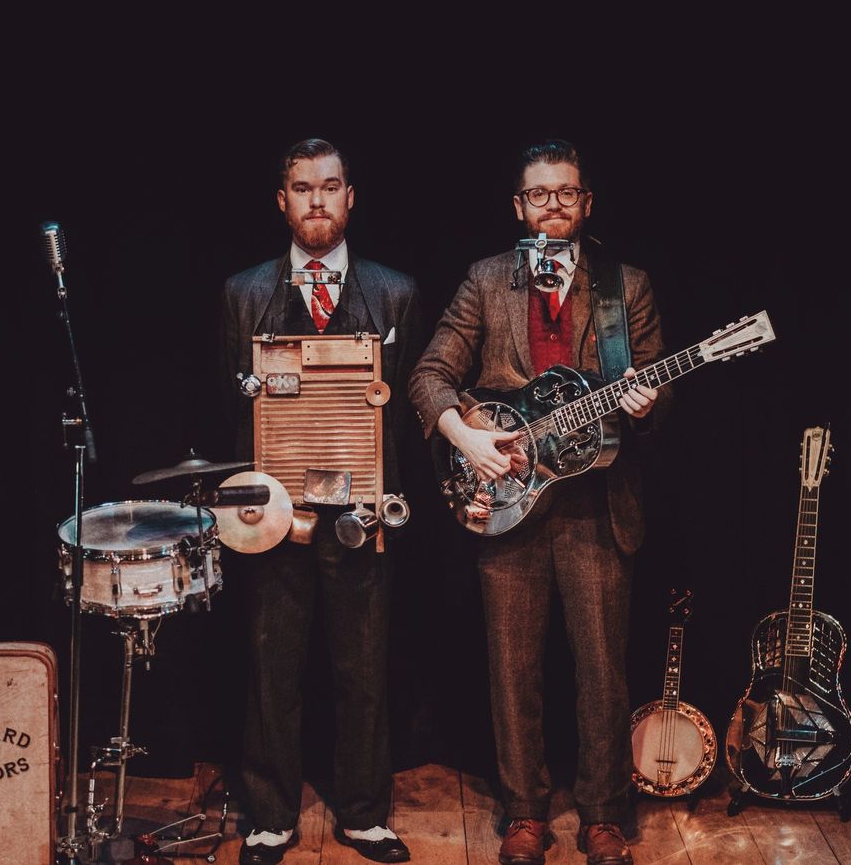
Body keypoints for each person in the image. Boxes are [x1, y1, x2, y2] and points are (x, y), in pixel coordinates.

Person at [408, 140, 670, 865]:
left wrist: (646, 403)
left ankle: (603, 814)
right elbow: (429, 374)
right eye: (538, 194)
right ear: (517, 207)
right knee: (512, 668)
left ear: (588, 204)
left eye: (566, 192)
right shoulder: (486, 280)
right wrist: (466, 437)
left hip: (598, 504)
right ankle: (524, 810)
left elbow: (657, 388)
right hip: (510, 495)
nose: (552, 204)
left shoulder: (626, 286)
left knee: (601, 671)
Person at [219, 138, 422, 865]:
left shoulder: (394, 292)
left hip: (362, 511)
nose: (316, 201)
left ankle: (364, 813)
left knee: (363, 667)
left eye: (329, 187)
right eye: (302, 188)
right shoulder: (244, 293)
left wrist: (374, 487)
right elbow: (231, 413)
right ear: (282, 201)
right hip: (275, 508)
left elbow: (401, 417)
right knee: (272, 665)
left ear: (350, 197)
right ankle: (270, 814)